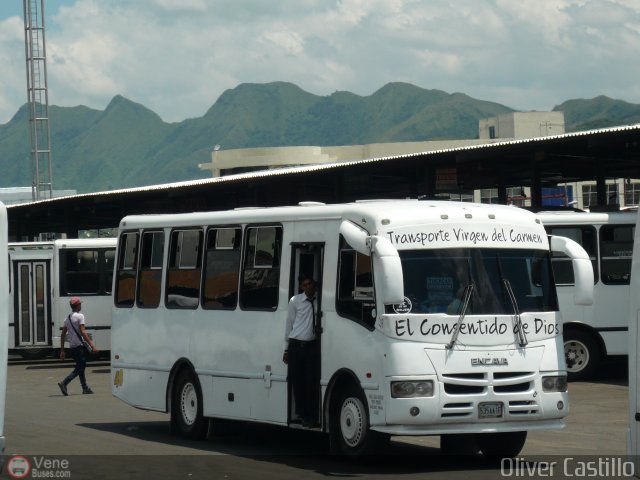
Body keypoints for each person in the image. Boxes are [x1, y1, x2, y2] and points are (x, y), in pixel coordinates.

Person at [283, 275, 318, 427]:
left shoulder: (320, 301)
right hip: (296, 346)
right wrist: (286, 349)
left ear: (314, 284)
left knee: (311, 382)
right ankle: (303, 415)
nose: (308, 287)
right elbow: (289, 325)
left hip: (311, 347)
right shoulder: (295, 301)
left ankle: (312, 414)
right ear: (301, 287)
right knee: (298, 383)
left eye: (310, 283)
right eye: (305, 285)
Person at [58, 297, 98, 396]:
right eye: (80, 304)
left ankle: (85, 388)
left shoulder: (67, 318)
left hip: (72, 348)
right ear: (77, 306)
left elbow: (63, 335)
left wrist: (62, 350)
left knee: (80, 366)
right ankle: (64, 383)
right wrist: (92, 345)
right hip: (79, 347)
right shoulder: (80, 316)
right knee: (80, 367)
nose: (81, 305)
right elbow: (83, 332)